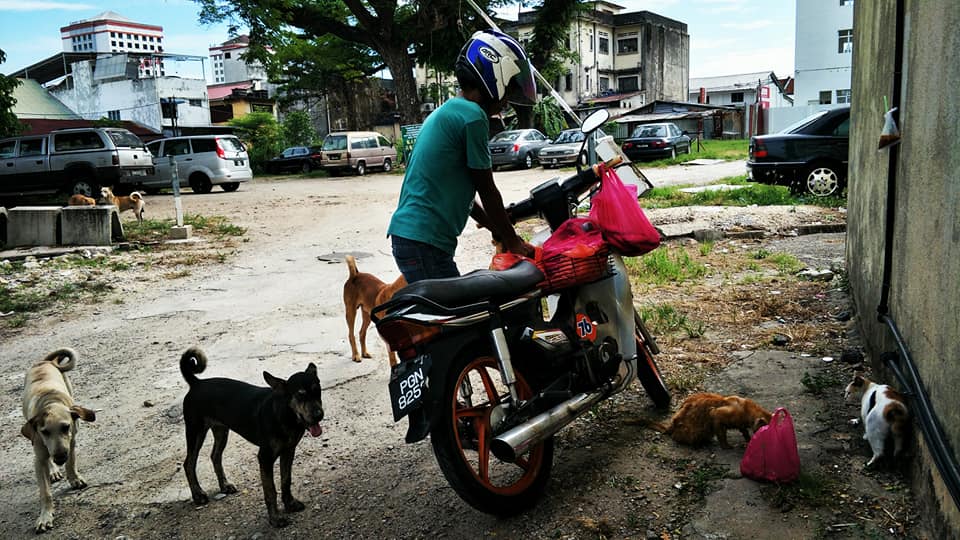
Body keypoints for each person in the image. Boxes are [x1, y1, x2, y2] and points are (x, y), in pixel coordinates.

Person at [387, 30, 537, 283]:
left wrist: (496, 227)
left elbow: (463, 194)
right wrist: (513, 241)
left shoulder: (450, 110)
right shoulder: (473, 117)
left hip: (414, 239)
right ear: (493, 77)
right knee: (462, 317)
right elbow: (486, 189)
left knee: (457, 315)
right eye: (509, 89)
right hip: (424, 243)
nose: (508, 101)